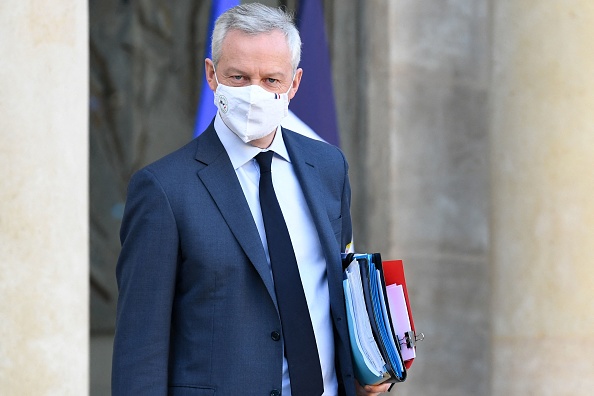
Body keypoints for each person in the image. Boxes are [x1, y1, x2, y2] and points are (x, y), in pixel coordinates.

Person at [112, 3, 390, 396]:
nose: (254, 93)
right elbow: (140, 348)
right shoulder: (162, 189)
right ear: (212, 75)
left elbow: (338, 284)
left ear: (294, 85)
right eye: (239, 77)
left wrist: (367, 365)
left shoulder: (329, 167)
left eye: (271, 80)